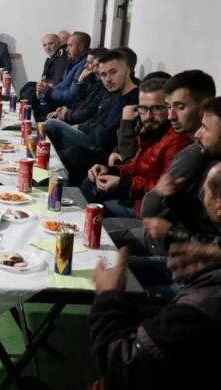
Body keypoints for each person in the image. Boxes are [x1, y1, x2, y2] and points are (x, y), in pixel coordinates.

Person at [88, 162, 221, 390]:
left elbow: (121, 363)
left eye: (204, 194)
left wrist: (108, 298)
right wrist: (176, 199)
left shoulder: (204, 303)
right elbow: (204, 226)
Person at [80, 78, 192, 218]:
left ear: (169, 107)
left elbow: (166, 187)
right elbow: (135, 166)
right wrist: (111, 170)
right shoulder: (149, 128)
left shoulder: (177, 140)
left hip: (148, 206)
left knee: (101, 208)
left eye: (156, 108)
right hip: (136, 191)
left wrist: (124, 183)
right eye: (143, 108)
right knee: (91, 181)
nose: (148, 116)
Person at [141, 71, 218, 244]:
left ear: (205, 106)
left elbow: (149, 211)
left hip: (172, 242)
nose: (171, 116)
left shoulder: (195, 154)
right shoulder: (192, 146)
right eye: (168, 107)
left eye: (180, 107)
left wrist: (160, 192)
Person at [58, 50, 139, 185]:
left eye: (113, 72)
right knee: (54, 155)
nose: (108, 79)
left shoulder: (136, 99)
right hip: (95, 145)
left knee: (69, 155)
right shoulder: (113, 94)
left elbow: (108, 137)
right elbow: (98, 124)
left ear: (127, 71)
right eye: (103, 74)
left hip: (111, 157)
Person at [45, 48, 110, 125]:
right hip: (73, 116)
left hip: (80, 124)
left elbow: (87, 112)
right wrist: (64, 110)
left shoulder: (104, 86)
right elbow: (80, 102)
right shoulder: (92, 80)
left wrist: (66, 114)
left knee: (48, 123)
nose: (85, 65)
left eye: (89, 63)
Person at [33, 32, 90, 117]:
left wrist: (49, 92)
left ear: (81, 47)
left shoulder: (84, 66)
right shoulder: (73, 61)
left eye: (70, 46)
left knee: (33, 106)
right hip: (58, 101)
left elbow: (71, 96)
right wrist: (47, 89)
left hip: (68, 109)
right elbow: (62, 85)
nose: (66, 49)